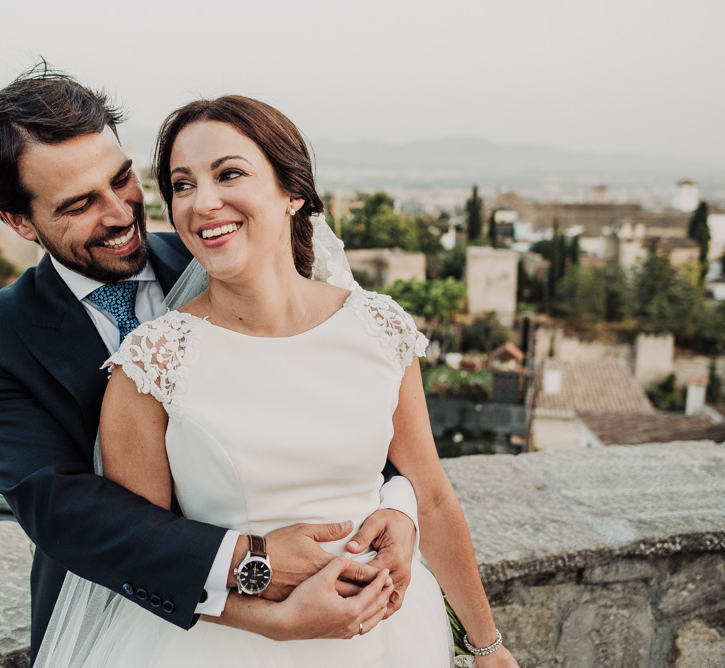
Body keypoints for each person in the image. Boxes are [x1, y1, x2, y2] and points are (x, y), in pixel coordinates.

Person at [0, 67, 423, 663]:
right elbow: (61, 508)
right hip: (122, 612)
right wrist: (253, 570)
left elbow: (337, 407)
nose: (120, 213)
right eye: (79, 204)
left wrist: (399, 509)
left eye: (122, 180)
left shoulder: (219, 248)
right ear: (20, 222)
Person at [34, 96, 519, 667]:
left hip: (387, 641)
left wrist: (488, 647)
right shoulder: (151, 364)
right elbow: (144, 552)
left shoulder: (380, 327)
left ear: (293, 192)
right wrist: (271, 621)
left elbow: (432, 496)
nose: (203, 202)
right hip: (220, 647)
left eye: (229, 174)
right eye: (182, 185)